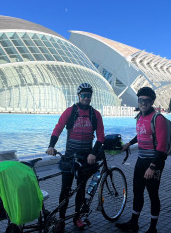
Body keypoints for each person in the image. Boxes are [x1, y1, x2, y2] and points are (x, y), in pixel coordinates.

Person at [46, 83, 105, 231]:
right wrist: (51, 146)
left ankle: (77, 217)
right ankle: (61, 219)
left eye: (89, 96)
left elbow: (101, 137)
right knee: (65, 190)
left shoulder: (95, 114)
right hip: (69, 158)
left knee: (81, 188)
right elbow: (58, 128)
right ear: (78, 96)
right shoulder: (70, 112)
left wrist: (93, 153)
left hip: (85, 158)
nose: (86, 98)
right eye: (83, 95)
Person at [115, 87, 167, 233]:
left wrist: (152, 166)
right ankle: (134, 223)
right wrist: (129, 144)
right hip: (140, 161)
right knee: (137, 192)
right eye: (140, 100)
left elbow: (162, 146)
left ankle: (152, 228)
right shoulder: (140, 117)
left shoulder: (158, 119)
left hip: (153, 163)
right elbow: (141, 135)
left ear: (151, 102)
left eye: (146, 100)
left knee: (152, 194)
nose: (143, 103)